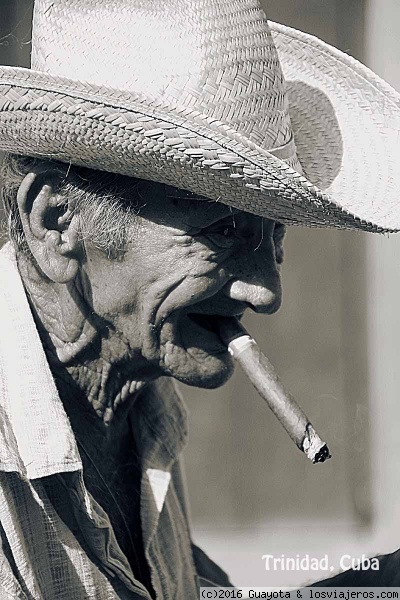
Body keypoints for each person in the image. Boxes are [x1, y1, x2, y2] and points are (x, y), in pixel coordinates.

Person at [1, 1, 400, 598]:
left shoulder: (139, 406)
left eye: (274, 236)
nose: (267, 293)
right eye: (221, 232)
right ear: (56, 222)